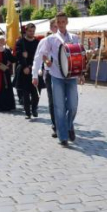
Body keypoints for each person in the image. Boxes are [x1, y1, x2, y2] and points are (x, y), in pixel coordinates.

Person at [33, 13, 85, 146]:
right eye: (59, 22)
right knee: (59, 107)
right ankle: (63, 136)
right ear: (56, 23)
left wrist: (81, 73)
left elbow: (79, 57)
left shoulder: (74, 38)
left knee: (73, 105)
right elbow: (42, 54)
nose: (61, 24)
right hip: (56, 76)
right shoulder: (51, 39)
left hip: (71, 76)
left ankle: (69, 126)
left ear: (67, 22)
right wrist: (46, 62)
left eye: (63, 22)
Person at [34, 18, 58, 136]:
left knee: (67, 101)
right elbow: (39, 58)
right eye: (55, 26)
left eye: (59, 25)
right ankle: (56, 125)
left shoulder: (69, 39)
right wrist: (35, 74)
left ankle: (67, 123)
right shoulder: (45, 41)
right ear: (51, 28)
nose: (57, 28)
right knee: (53, 101)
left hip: (65, 75)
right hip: (50, 73)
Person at [15, 23, 41, 119]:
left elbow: (39, 55)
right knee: (26, 93)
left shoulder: (37, 42)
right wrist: (23, 58)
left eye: (33, 31)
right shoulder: (20, 42)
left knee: (36, 92)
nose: (32, 33)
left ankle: (34, 108)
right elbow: (17, 54)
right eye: (30, 31)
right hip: (24, 69)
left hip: (35, 68)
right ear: (26, 31)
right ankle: (27, 111)